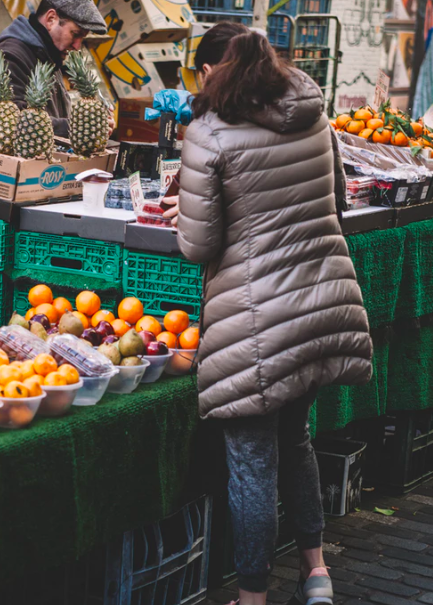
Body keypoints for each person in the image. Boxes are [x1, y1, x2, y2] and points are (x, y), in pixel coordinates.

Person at [162, 22, 373, 605]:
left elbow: (198, 246)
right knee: (295, 440)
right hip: (322, 303)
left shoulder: (208, 134)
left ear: (211, 72)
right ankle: (315, 572)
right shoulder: (314, 114)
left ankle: (252, 596)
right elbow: (334, 204)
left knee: (252, 462)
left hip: (257, 320)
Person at [0, 0, 107, 139]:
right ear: (51, 19)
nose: (77, 46)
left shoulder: (50, 58)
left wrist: (93, 122)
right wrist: (82, 127)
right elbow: (15, 124)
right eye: (75, 34)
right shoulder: (9, 58)